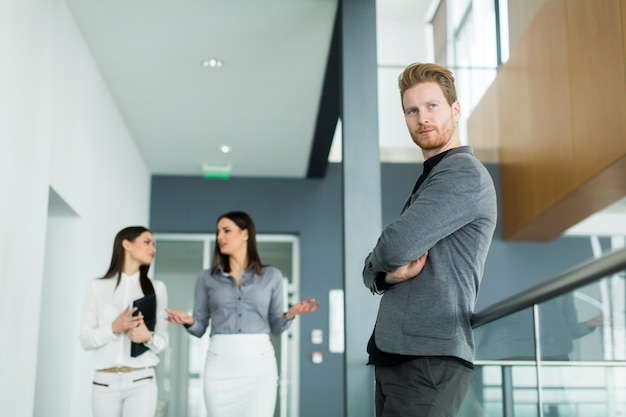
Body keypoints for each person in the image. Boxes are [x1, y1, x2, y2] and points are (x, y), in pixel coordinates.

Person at [362, 62, 498, 417]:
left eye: (432, 106)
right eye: (412, 110)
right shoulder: (432, 177)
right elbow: (378, 266)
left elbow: (393, 246)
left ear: (455, 109)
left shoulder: (461, 173)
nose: (422, 118)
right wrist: (387, 274)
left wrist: (383, 260)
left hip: (428, 361)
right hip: (399, 355)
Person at [165, 210, 319, 417]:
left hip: (259, 367)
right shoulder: (206, 278)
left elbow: (276, 326)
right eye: (218, 232)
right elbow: (199, 327)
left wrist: (290, 313)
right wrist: (189, 321)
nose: (220, 237)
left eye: (226, 231)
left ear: (245, 234)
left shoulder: (271, 276)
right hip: (219, 366)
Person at [79, 226, 169, 417]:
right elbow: (85, 340)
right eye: (147, 242)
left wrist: (148, 337)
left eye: (154, 244)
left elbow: (162, 341)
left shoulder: (157, 288)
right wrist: (113, 328)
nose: (153, 248)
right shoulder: (97, 287)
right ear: (126, 244)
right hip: (104, 382)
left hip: (142, 381)